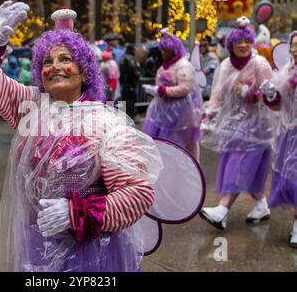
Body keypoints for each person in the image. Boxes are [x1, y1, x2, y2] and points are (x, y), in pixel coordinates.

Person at [0, 1, 166, 272]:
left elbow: (138, 193)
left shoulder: (105, 123)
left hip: (92, 253)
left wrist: (75, 214)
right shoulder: (31, 108)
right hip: (37, 246)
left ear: (84, 70)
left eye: (65, 59)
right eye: (47, 61)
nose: (54, 66)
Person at [199, 17, 276, 230]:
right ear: (230, 44)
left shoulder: (259, 64)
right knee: (242, 167)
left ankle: (222, 209)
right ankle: (261, 205)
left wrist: (248, 92)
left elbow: (272, 93)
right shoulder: (225, 66)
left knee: (239, 166)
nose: (243, 45)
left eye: (247, 42)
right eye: (238, 42)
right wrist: (209, 115)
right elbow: (217, 94)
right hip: (233, 126)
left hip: (257, 128)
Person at [259, 31, 297, 247]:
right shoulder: (286, 71)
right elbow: (276, 104)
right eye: (293, 45)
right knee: (290, 179)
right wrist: (270, 93)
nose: (295, 49)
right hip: (287, 133)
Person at [141, 29, 202, 161]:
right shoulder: (164, 67)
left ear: (174, 50)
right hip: (163, 112)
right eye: (162, 50)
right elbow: (160, 85)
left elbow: (185, 88)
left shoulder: (183, 65)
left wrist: (164, 91)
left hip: (181, 112)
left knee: (182, 144)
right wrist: (154, 90)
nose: (163, 53)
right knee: (162, 144)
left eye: (165, 50)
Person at [118, 44, 140, 119]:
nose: (135, 51)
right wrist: (138, 74)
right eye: (134, 50)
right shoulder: (130, 58)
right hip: (130, 84)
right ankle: (130, 119)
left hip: (123, 83)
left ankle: (121, 118)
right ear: (131, 50)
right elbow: (133, 71)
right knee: (130, 102)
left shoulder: (122, 57)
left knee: (123, 101)